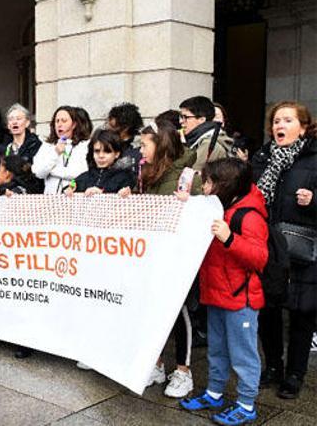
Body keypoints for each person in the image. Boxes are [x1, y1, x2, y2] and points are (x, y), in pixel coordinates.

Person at [180, 158, 268, 426]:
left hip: (240, 298)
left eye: (208, 183)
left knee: (243, 354)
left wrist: (230, 238)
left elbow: (259, 258)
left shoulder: (248, 215)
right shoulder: (219, 208)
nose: (204, 188)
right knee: (217, 349)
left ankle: (246, 403)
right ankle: (214, 393)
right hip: (216, 294)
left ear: (225, 186)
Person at [125, 123, 202, 397]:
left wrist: (188, 204)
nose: (141, 149)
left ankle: (183, 370)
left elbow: (201, 214)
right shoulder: (148, 173)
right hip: (153, 255)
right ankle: (156, 365)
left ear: (161, 145)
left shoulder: (187, 176)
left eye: (145, 144)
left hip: (177, 257)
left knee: (178, 312)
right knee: (151, 310)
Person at [251, 101, 317, 399]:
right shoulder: (263, 158)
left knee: (303, 314)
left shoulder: (314, 158)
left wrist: (313, 200)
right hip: (268, 246)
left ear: (303, 127)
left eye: (288, 120)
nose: (280, 126)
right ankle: (273, 367)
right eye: (277, 121)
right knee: (268, 310)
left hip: (304, 249)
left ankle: (294, 375)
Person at [33, 106, 91, 194]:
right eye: (57, 121)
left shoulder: (84, 145)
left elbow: (80, 172)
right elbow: (39, 172)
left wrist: (51, 171)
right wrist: (55, 153)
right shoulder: (47, 146)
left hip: (74, 199)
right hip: (51, 199)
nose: (59, 124)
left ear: (74, 124)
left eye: (64, 121)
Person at [65, 129, 135, 196]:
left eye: (107, 151)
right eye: (97, 151)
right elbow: (72, 184)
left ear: (117, 154)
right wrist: (69, 189)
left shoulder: (125, 177)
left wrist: (103, 193)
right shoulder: (85, 176)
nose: (101, 156)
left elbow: (124, 202)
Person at [179, 96, 233, 172]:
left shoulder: (209, 144)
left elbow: (191, 177)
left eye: (185, 117)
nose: (181, 121)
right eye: (180, 117)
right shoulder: (198, 140)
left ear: (202, 119)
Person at [106, 102, 144, 175]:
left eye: (113, 127)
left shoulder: (140, 148)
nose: (108, 129)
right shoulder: (107, 144)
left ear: (126, 127)